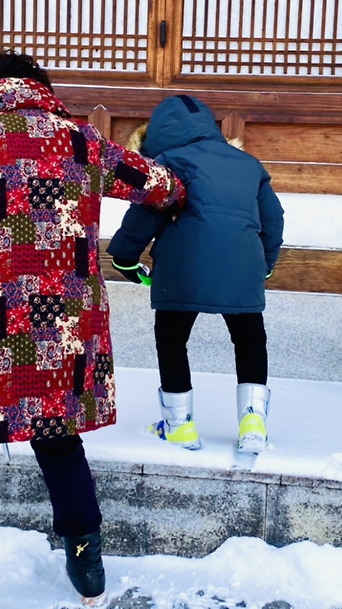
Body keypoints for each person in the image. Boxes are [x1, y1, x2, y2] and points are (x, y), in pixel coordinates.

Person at [0, 51, 184, 609]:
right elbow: (163, 187)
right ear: (40, 89)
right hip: (61, 325)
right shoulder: (82, 141)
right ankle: (88, 570)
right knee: (59, 438)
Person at [106, 95, 284, 455]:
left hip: (181, 267)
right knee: (250, 340)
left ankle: (180, 427)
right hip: (244, 267)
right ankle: (253, 425)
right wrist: (264, 263)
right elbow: (273, 218)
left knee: (172, 340)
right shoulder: (249, 164)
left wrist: (125, 259)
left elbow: (145, 214)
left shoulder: (169, 163)